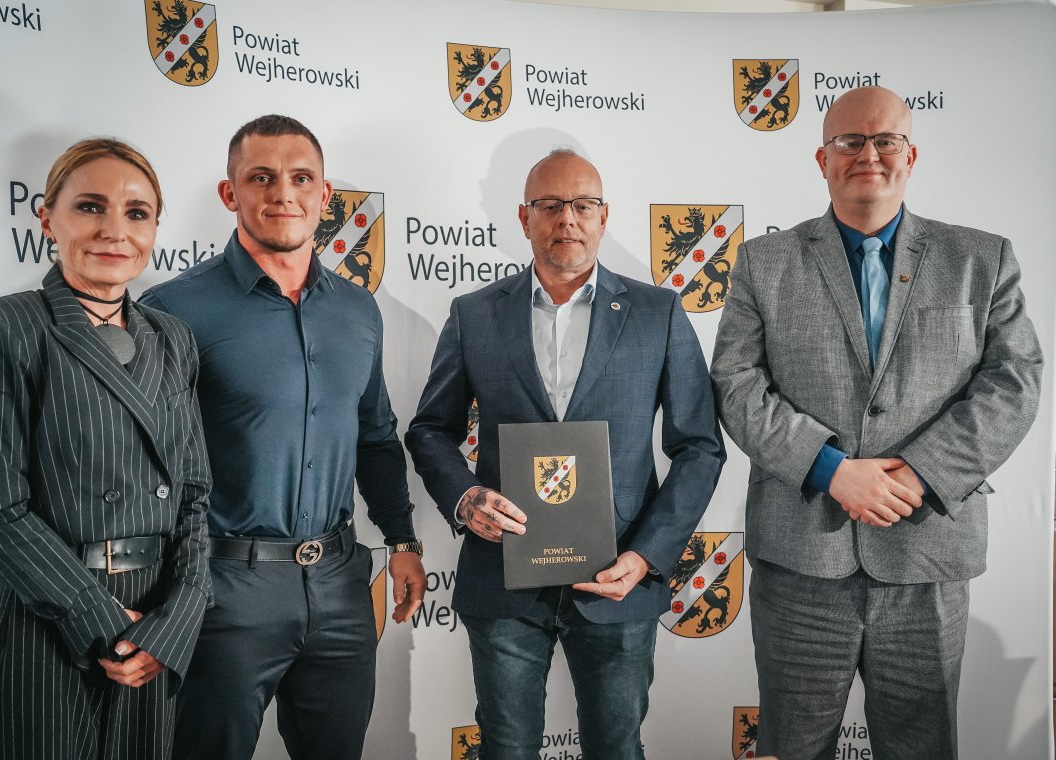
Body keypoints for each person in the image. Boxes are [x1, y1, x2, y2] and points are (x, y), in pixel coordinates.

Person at [710, 86, 1043, 760]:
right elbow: (735, 383)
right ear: (822, 158)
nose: (868, 154)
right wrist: (830, 469)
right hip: (801, 561)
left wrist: (918, 473)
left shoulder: (982, 260)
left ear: (910, 155)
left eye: (885, 139)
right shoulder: (764, 263)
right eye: (849, 141)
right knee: (792, 748)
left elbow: (1015, 381)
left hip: (926, 559)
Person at [406, 148, 725, 759]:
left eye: (582, 205)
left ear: (604, 216)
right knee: (506, 749)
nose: (567, 219)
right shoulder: (474, 314)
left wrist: (646, 556)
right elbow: (429, 430)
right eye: (550, 205)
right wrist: (465, 498)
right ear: (524, 217)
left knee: (616, 748)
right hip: (503, 579)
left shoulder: (657, 312)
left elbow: (700, 447)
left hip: (618, 578)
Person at [139, 114, 425, 760]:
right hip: (222, 588)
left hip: (342, 586)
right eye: (261, 178)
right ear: (230, 193)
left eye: (301, 178)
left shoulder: (358, 309)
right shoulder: (173, 310)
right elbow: (145, 464)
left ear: (326, 194)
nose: (283, 193)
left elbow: (376, 438)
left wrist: (403, 539)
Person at [0, 138, 212, 760]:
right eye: (91, 207)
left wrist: (176, 621)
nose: (115, 230)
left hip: (153, 627)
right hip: (53, 621)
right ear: (47, 218)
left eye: (137, 213)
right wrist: (102, 623)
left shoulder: (174, 338)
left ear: (155, 228)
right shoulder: (3, 327)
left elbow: (195, 497)